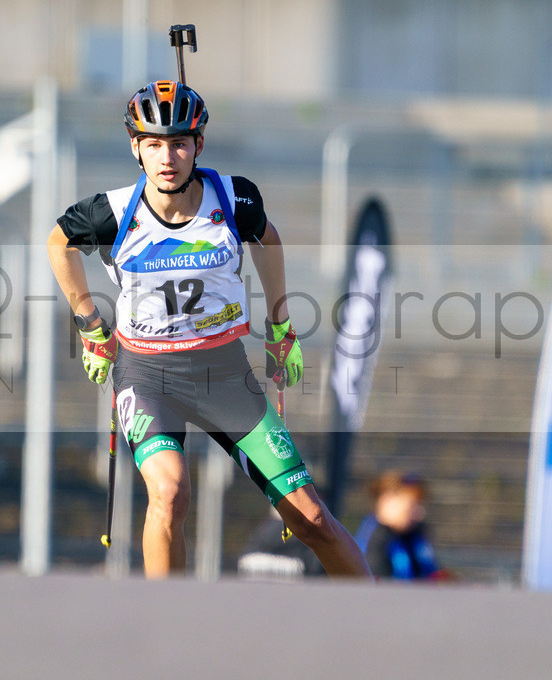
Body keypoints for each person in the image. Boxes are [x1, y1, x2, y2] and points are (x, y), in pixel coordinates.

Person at [48, 80, 371, 579]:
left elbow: (267, 239)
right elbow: (58, 243)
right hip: (146, 374)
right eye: (153, 143)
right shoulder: (113, 212)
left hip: (223, 374)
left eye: (178, 142)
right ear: (136, 147)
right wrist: (90, 324)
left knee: (311, 520)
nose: (167, 156)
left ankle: (378, 621)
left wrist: (280, 323)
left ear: (199, 144)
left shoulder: (234, 197)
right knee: (170, 492)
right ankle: (167, 622)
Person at [357, 471, 448, 581]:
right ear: (388, 500)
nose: (420, 514)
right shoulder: (373, 537)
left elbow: (429, 574)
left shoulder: (416, 535)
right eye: (413, 505)